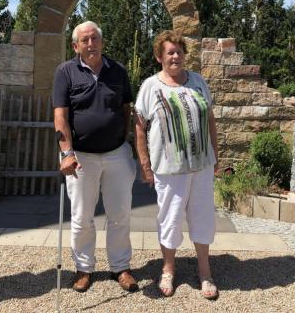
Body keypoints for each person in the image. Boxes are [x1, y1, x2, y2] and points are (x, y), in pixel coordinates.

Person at [53, 21, 139, 293]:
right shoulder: (65, 72)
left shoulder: (119, 71)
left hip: (116, 154)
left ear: (101, 42)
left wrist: (123, 140)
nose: (91, 44)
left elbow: (126, 109)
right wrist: (66, 153)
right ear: (75, 45)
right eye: (85, 40)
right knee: (81, 217)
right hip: (81, 158)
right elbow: (60, 116)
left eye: (94, 39)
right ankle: (83, 268)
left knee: (121, 214)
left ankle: (120, 267)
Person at [134, 30, 220, 300]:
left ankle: (204, 271)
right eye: (169, 52)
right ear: (159, 56)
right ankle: (168, 269)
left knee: (203, 216)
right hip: (169, 168)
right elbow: (139, 127)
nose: (175, 56)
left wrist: (216, 155)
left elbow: (210, 120)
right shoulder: (151, 86)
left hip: (201, 165)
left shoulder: (197, 81)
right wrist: (145, 163)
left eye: (179, 51)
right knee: (170, 218)